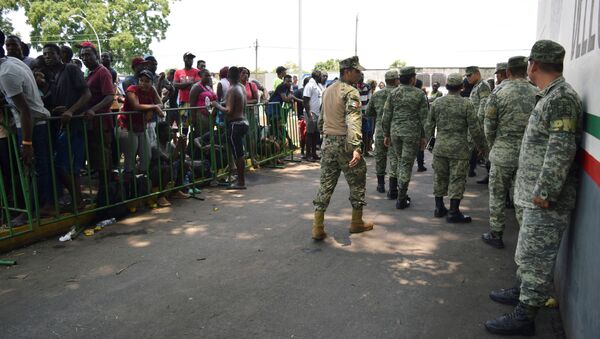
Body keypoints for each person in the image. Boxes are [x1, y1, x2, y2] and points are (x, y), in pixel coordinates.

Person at [485, 40, 583, 337]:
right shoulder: (549, 95)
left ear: (534, 64)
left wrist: (545, 192)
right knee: (528, 254)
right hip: (532, 193)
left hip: (544, 199)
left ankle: (525, 317)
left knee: (536, 259)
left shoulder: (562, 98)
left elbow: (560, 149)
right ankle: (521, 290)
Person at [311, 56, 374, 241]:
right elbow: (353, 120)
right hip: (345, 143)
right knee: (357, 180)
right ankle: (356, 222)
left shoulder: (328, 90)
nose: (360, 74)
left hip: (328, 142)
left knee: (326, 183)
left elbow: (321, 119)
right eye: (357, 71)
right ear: (347, 71)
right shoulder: (351, 92)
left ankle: (318, 226)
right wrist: (356, 147)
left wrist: (326, 137)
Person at [481, 56, 537, 249]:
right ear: (526, 69)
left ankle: (496, 234)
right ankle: (526, 239)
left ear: (509, 72)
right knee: (522, 198)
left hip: (502, 153)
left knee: (497, 194)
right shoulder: (537, 92)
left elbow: (489, 126)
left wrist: (493, 146)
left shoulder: (498, 93)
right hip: (527, 155)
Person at [0, 30, 53, 223]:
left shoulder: (7, 72)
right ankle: (43, 206)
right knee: (40, 167)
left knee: (31, 168)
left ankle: (36, 210)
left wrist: (27, 142)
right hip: (35, 122)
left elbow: (25, 110)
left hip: (31, 124)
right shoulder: (13, 63)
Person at [425, 73, 486, 223]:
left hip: (440, 147)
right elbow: (475, 128)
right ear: (462, 87)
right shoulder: (467, 104)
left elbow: (429, 126)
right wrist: (481, 146)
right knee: (457, 179)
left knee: (439, 177)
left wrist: (430, 143)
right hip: (459, 149)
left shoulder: (438, 103)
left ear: (446, 86)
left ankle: (439, 208)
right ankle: (453, 212)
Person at [43, 42, 91, 211]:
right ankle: (77, 201)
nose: (47, 56)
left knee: (64, 165)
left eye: (51, 53)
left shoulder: (71, 69)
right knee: (68, 167)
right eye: (45, 54)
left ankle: (78, 201)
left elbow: (87, 94)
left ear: (59, 55)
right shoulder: (53, 77)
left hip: (75, 124)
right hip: (62, 125)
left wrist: (71, 111)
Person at [381, 66, 428, 209]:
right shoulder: (419, 94)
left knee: (399, 161)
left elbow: (386, 116)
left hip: (395, 134)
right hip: (411, 134)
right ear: (413, 79)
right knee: (406, 165)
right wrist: (424, 137)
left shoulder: (393, 93)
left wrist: (386, 134)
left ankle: (398, 192)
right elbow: (424, 118)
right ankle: (401, 198)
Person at [79, 42, 115, 207]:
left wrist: (93, 110)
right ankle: (103, 195)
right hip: (92, 123)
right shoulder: (90, 73)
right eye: (83, 55)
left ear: (96, 56)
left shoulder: (102, 72)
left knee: (103, 160)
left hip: (102, 122)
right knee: (97, 160)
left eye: (88, 54)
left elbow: (109, 96)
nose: (85, 58)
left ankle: (106, 196)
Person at [118, 70, 164, 178]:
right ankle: (129, 186)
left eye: (147, 81)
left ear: (151, 82)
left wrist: (153, 109)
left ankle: (142, 185)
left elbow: (161, 103)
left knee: (146, 157)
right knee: (130, 158)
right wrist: (154, 107)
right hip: (127, 127)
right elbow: (136, 106)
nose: (143, 83)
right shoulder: (132, 89)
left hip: (142, 127)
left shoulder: (152, 90)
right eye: (141, 80)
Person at [211, 66, 249, 189]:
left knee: (238, 154)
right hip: (243, 122)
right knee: (240, 153)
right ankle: (240, 180)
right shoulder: (242, 87)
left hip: (236, 125)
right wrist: (223, 103)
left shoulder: (232, 89)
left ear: (228, 78)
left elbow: (229, 110)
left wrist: (216, 105)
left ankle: (241, 182)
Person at [366, 70, 399, 196]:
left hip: (380, 130)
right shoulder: (399, 94)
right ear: (396, 80)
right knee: (394, 159)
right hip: (395, 130)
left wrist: (379, 115)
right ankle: (393, 188)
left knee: (380, 157)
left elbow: (369, 112)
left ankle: (380, 185)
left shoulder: (377, 95)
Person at [150, 121, 190, 207]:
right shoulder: (154, 146)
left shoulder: (170, 145)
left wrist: (183, 147)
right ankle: (160, 197)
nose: (171, 134)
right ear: (161, 133)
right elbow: (169, 161)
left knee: (185, 164)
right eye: (169, 131)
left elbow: (180, 159)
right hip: (155, 174)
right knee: (167, 168)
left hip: (168, 169)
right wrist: (178, 147)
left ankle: (176, 190)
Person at [465, 65, 491, 178]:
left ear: (477, 73)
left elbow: (483, 105)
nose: (467, 78)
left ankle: (490, 176)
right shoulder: (477, 86)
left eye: (469, 75)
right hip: (474, 125)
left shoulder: (483, 86)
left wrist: (477, 125)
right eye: (466, 76)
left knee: (485, 151)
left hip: (478, 125)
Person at [173, 52, 200, 131]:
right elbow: (175, 85)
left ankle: (193, 143)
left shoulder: (197, 71)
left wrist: (183, 85)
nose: (190, 60)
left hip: (194, 102)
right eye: (188, 58)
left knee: (195, 125)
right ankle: (184, 142)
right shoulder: (178, 72)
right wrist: (190, 83)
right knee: (185, 127)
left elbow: (197, 85)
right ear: (184, 59)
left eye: (192, 59)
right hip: (183, 102)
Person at [303, 69, 324, 162]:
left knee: (316, 134)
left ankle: (314, 153)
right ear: (317, 76)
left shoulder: (318, 85)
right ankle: (308, 154)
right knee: (309, 134)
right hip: (311, 113)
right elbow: (305, 100)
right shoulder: (309, 85)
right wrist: (309, 114)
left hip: (318, 113)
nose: (322, 78)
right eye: (321, 76)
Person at [189, 69, 217, 135]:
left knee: (209, 137)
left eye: (209, 76)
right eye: (206, 76)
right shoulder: (196, 87)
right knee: (202, 136)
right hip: (201, 116)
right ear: (201, 76)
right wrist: (194, 120)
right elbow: (192, 104)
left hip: (210, 116)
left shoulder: (208, 87)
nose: (208, 77)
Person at [414, 78, 428, 172]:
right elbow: (425, 112)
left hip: (406, 125)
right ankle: (420, 165)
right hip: (419, 125)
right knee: (420, 146)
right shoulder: (422, 95)